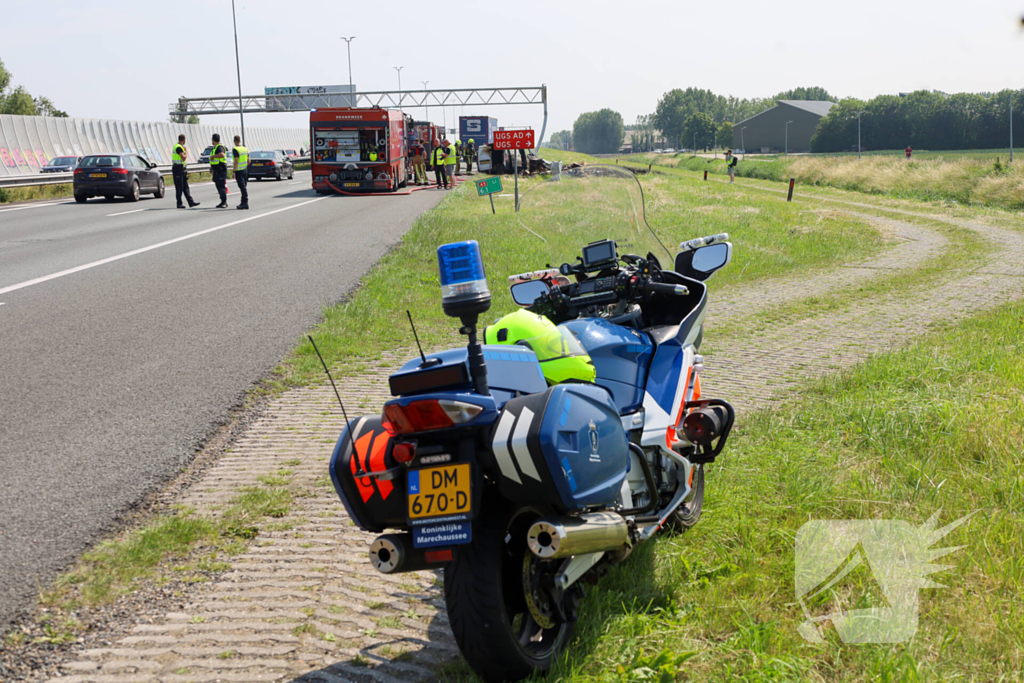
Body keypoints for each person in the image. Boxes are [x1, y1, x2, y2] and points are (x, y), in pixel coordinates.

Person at [172, 134, 199, 209]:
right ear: (184, 140)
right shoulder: (178, 147)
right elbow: (183, 158)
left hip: (181, 169)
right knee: (179, 187)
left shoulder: (180, 147)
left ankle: (191, 202)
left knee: (185, 186)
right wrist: (186, 151)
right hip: (177, 169)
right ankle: (179, 203)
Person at [209, 133, 228, 208]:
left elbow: (222, 154)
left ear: (213, 140)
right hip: (216, 170)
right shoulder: (215, 147)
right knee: (218, 186)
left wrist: (213, 156)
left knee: (221, 186)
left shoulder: (219, 147)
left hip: (221, 170)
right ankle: (222, 201)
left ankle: (224, 202)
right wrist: (211, 168)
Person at [232, 135, 249, 210]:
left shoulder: (235, 149)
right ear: (240, 141)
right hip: (245, 170)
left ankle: (245, 202)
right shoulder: (245, 149)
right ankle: (243, 202)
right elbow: (249, 160)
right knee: (244, 186)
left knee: (242, 187)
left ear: (234, 141)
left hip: (239, 171)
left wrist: (234, 171)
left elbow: (236, 161)